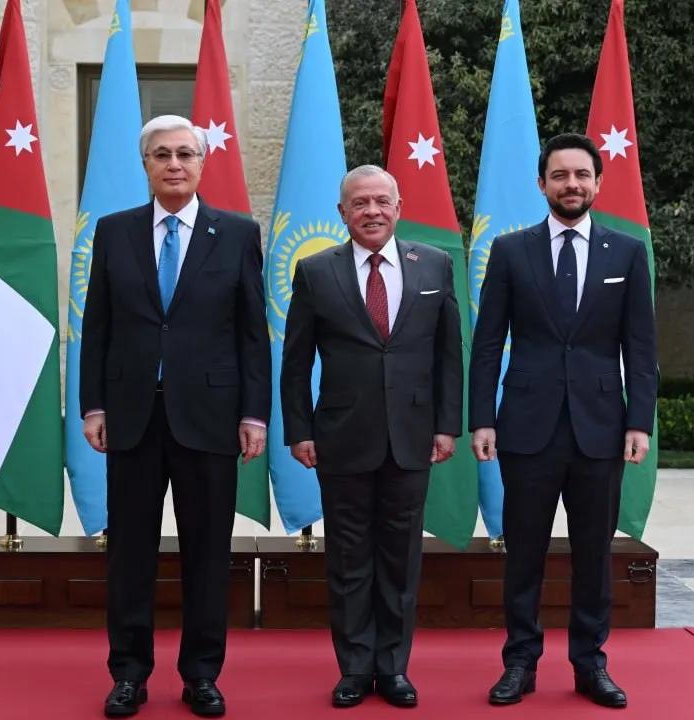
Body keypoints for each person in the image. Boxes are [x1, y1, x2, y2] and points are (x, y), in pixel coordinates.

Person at [79, 114, 269, 718]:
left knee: (208, 553)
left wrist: (254, 415)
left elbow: (250, 335)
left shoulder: (237, 233)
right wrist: (94, 404)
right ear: (146, 165)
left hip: (210, 418)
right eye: (162, 154)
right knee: (129, 552)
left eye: (186, 153)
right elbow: (97, 327)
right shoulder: (114, 232)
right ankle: (129, 673)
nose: (174, 163)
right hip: (132, 416)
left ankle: (201, 675)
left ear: (202, 162)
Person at [469, 133, 656, 709]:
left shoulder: (626, 252)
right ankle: (520, 663)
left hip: (601, 428)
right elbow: (486, 343)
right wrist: (482, 418)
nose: (571, 184)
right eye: (559, 175)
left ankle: (589, 663)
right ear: (542, 183)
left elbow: (640, 347)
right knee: (522, 552)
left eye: (581, 175)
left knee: (594, 554)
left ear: (598, 183)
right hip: (526, 426)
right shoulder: (510, 250)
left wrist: (639, 422)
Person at [281, 165, 462, 709]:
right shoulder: (315, 272)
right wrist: (299, 430)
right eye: (360, 203)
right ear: (343, 213)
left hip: (412, 437)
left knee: (401, 560)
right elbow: (295, 363)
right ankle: (356, 668)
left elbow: (448, 355)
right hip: (341, 439)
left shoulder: (433, 264)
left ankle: (394, 668)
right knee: (348, 559)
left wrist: (447, 424)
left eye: (382, 201)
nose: (372, 212)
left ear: (398, 207)